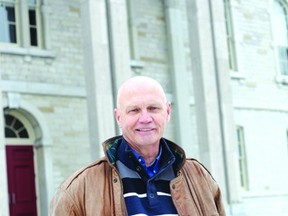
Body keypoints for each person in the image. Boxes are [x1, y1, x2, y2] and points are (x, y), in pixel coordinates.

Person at [49, 76, 226, 215]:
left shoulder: (200, 178)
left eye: (153, 108)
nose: (145, 118)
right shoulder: (77, 190)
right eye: (134, 110)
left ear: (168, 111)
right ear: (119, 117)